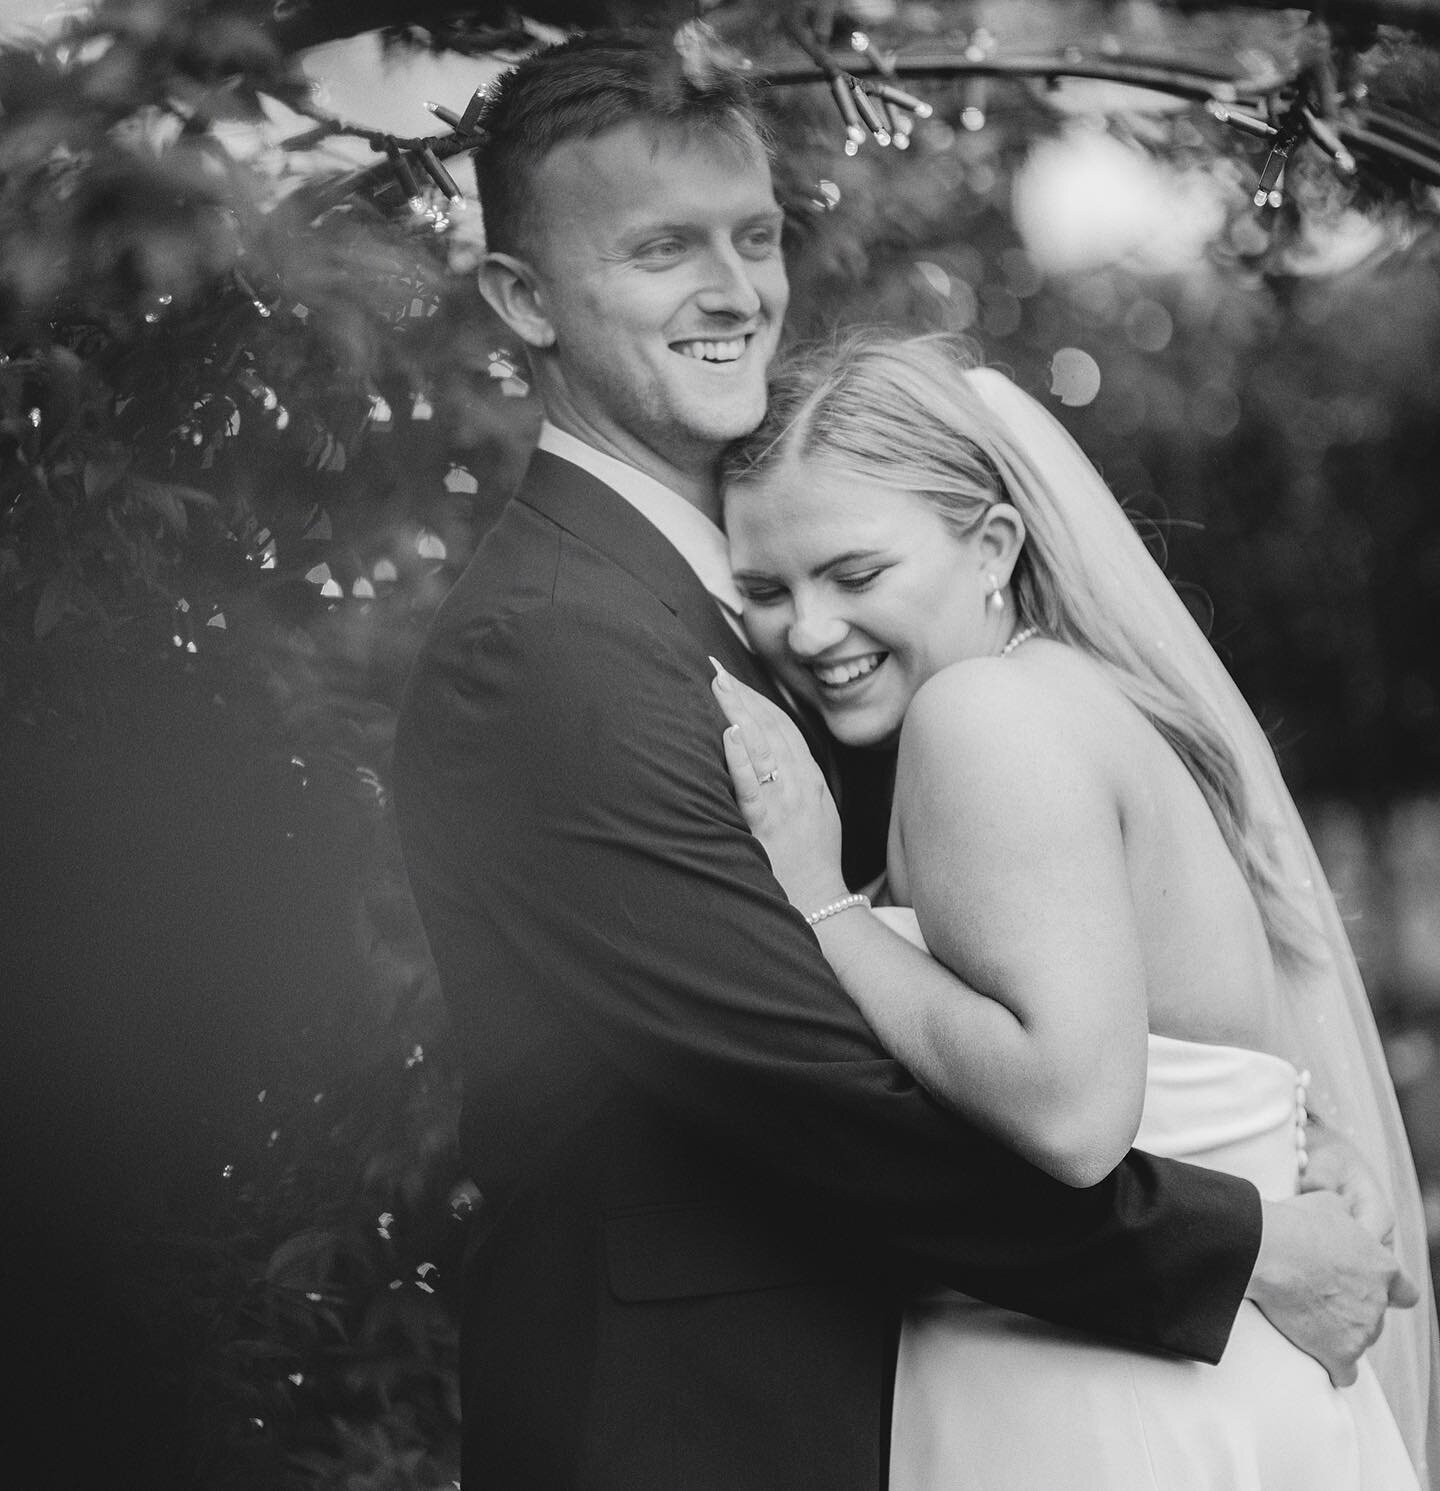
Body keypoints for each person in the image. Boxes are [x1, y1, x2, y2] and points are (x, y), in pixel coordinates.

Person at [391, 30, 1414, 1490]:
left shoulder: (835, 627)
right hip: (693, 1427)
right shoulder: (546, 648)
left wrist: (1267, 1143)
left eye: (754, 236)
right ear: (522, 297)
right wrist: (1242, 1240)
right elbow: (808, 1094)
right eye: (662, 246)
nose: (734, 288)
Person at [713, 328, 1440, 1488]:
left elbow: (1069, 1113)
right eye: (765, 589)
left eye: (855, 576)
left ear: (993, 543)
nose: (807, 630)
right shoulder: (1086, 701)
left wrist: (823, 910)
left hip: (1106, 1402)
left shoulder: (983, 718)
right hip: (1195, 1372)